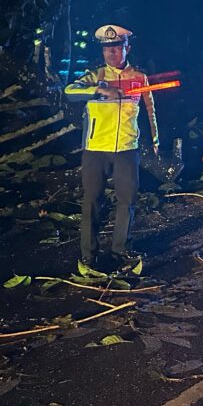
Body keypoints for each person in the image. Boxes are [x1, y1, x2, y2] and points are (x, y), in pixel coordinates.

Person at [64, 24, 159, 268]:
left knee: (127, 201)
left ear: (127, 48)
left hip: (126, 148)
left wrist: (155, 140)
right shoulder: (95, 76)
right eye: (107, 49)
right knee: (92, 202)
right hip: (96, 148)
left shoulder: (139, 77)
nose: (112, 52)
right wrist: (99, 90)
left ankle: (121, 250)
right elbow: (69, 91)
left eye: (117, 47)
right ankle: (89, 255)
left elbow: (150, 111)